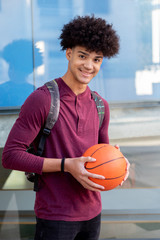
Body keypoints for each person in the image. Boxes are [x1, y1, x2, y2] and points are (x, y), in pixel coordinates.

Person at [2, 15, 129, 240]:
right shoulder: (42, 99)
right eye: (82, 56)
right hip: (55, 216)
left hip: (93, 214)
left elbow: (101, 160)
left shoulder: (101, 105)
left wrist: (119, 165)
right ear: (69, 53)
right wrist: (66, 165)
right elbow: (11, 156)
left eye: (97, 59)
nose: (89, 65)